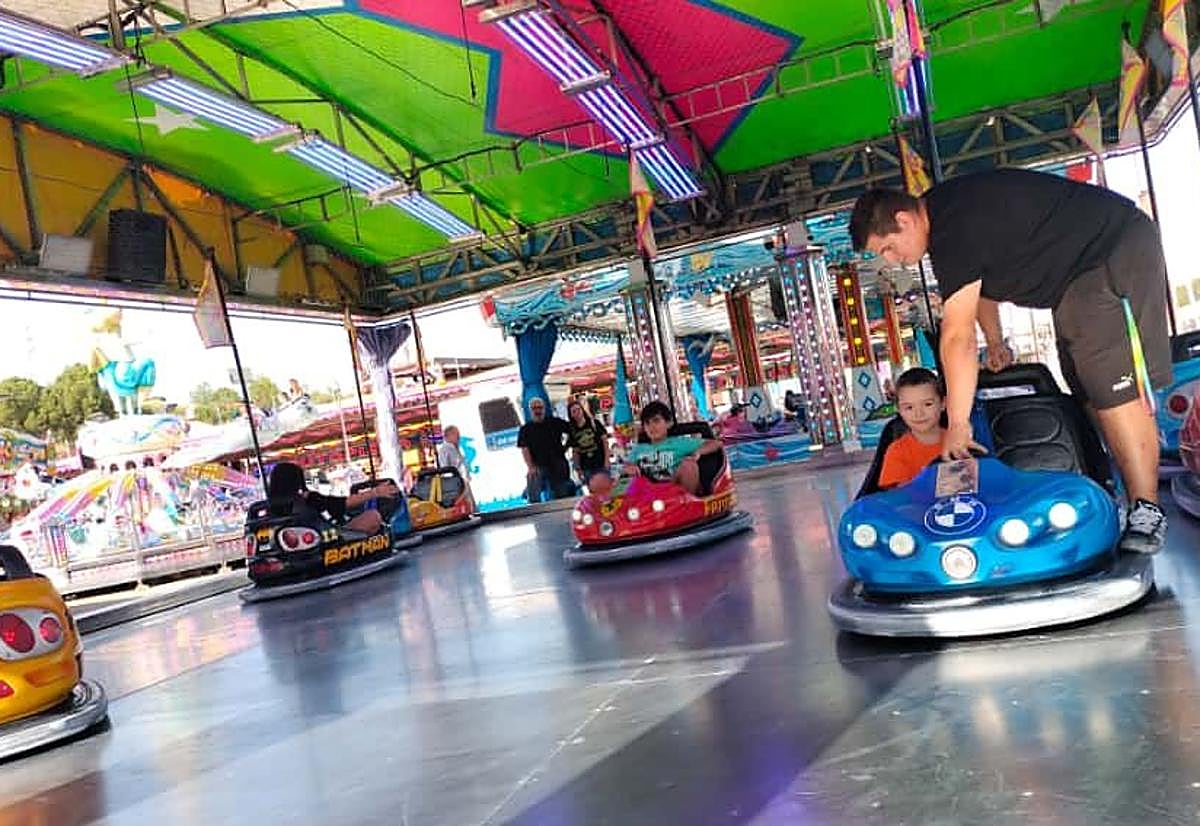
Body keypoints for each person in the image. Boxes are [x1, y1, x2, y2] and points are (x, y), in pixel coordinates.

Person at [850, 167, 1171, 553]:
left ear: (903, 220)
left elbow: (956, 337)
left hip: (1111, 252)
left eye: (886, 248)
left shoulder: (953, 225)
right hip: (1075, 279)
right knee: (1083, 382)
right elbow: (979, 286)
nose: (891, 261)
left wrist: (958, 422)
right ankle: (1115, 496)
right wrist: (997, 341)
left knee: (1110, 386)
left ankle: (1147, 509)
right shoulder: (949, 219)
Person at [267, 461, 398, 534]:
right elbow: (343, 503)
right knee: (373, 516)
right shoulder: (308, 499)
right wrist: (375, 492)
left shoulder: (267, 509)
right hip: (326, 541)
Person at [624, 401, 721, 495]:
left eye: (656, 421)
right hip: (648, 493)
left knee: (689, 465)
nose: (652, 427)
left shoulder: (679, 443)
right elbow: (627, 466)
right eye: (647, 423)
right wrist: (629, 468)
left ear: (668, 423)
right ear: (644, 428)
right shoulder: (638, 449)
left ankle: (687, 501)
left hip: (674, 489)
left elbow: (715, 444)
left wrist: (698, 452)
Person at [878, 368, 946, 489]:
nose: (918, 414)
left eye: (928, 404)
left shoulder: (957, 441)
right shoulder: (897, 452)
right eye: (909, 407)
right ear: (899, 410)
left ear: (943, 404)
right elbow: (903, 497)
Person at [517, 397, 574, 502]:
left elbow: (573, 431)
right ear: (530, 410)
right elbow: (524, 449)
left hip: (558, 463)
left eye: (540, 407)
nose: (537, 410)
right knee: (532, 477)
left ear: (544, 408)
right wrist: (531, 467)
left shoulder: (555, 422)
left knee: (562, 493)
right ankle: (533, 507)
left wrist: (566, 447)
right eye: (534, 408)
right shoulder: (525, 429)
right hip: (539, 465)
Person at [566, 400, 609, 489]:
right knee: (593, 492)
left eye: (578, 409)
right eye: (574, 411)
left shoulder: (594, 423)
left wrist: (607, 460)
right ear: (571, 415)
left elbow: (605, 442)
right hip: (586, 467)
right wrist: (578, 469)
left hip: (600, 463)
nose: (577, 412)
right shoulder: (572, 430)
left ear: (582, 410)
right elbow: (576, 451)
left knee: (606, 489)